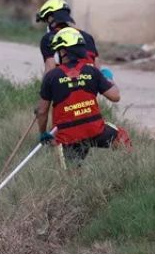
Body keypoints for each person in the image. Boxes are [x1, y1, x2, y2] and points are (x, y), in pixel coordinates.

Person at [36, 27, 131, 162]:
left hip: (68, 137)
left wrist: (43, 133)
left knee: (72, 176)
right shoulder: (92, 71)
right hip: (95, 130)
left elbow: (41, 111)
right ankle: (128, 168)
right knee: (122, 138)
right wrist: (108, 77)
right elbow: (115, 96)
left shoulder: (51, 77)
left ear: (62, 51)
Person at [35, 0, 103, 75]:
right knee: (107, 72)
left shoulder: (48, 38)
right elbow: (98, 68)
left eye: (46, 20)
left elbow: (50, 70)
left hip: (67, 83)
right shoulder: (88, 37)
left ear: (51, 18)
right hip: (92, 82)